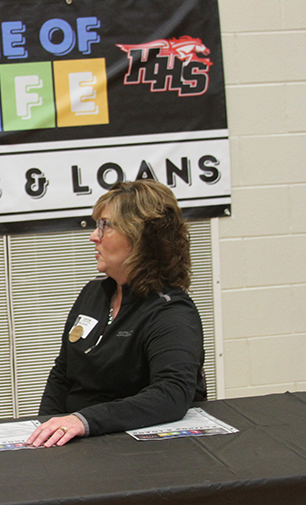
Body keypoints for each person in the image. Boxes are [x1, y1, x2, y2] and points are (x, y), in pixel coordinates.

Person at [27, 179, 206, 448]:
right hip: (81, 442)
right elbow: (62, 374)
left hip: (137, 450)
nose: (94, 236)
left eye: (106, 226)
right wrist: (46, 430)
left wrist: (82, 420)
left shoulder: (170, 311)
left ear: (140, 237)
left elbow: (172, 394)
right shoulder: (93, 294)